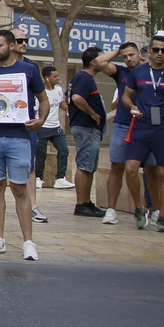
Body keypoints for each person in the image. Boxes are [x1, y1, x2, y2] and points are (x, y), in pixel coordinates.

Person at [0, 28, 48, 260]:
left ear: (10, 45)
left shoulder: (29, 70)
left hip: (20, 136)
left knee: (20, 189)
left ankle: (28, 241)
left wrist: (41, 121)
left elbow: (43, 99)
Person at [117, 34, 164, 233]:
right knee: (130, 168)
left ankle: (163, 215)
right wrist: (131, 106)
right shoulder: (138, 71)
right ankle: (140, 208)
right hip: (141, 124)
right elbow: (126, 96)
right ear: (149, 50)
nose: (159, 54)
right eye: (156, 50)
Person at [94, 41, 143, 223]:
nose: (129, 59)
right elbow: (100, 62)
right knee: (116, 167)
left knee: (154, 170)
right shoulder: (121, 72)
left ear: (139, 54)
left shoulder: (148, 72)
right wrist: (118, 51)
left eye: (132, 55)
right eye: (125, 56)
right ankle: (111, 210)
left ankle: (153, 211)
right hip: (123, 125)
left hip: (145, 126)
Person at [67, 47, 108, 218]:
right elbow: (77, 98)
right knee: (84, 165)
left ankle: (86, 202)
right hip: (86, 127)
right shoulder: (84, 78)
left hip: (90, 128)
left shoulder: (85, 78)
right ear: (93, 62)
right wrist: (92, 113)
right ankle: (81, 203)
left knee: (89, 165)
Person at [33, 64, 72, 202]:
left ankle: (60, 178)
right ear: (47, 78)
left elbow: (60, 103)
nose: (58, 78)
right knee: (41, 154)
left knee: (64, 150)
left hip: (56, 127)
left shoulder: (59, 89)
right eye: (55, 76)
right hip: (43, 127)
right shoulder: (41, 91)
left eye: (58, 76)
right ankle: (39, 178)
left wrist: (68, 110)